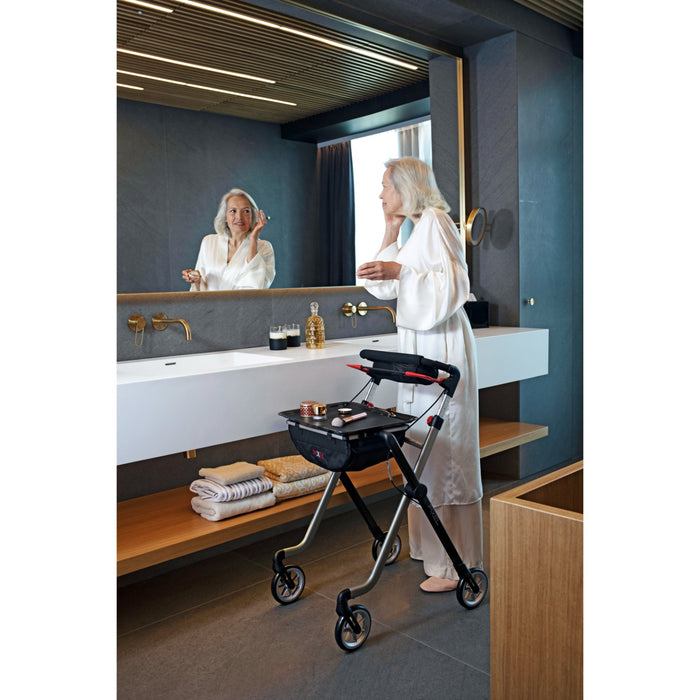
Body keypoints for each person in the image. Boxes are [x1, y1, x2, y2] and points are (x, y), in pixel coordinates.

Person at [356, 157, 482, 593]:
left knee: (445, 452)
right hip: (419, 345)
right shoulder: (413, 228)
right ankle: (430, 550)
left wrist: (401, 272)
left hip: (441, 344)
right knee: (421, 448)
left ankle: (454, 564)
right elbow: (381, 284)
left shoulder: (437, 220)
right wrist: (390, 232)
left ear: (406, 186)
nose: (380, 195)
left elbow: (454, 284)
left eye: (385, 186)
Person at [182, 188, 275, 290]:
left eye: (246, 211)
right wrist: (196, 280)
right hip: (210, 305)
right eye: (233, 211)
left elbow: (256, 286)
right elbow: (200, 289)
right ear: (225, 216)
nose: (239, 217)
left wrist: (253, 239)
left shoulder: (264, 247)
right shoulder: (208, 242)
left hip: (244, 306)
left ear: (253, 216)